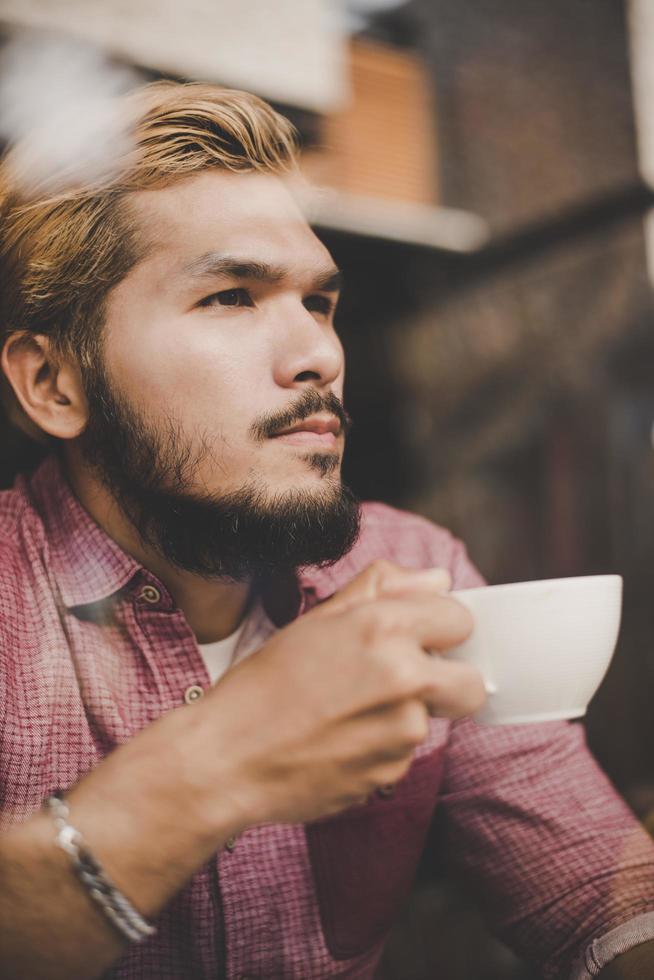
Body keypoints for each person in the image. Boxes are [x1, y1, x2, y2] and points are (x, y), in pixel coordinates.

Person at [0, 81, 652, 980]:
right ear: (54, 385)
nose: (321, 353)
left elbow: (594, 900)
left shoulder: (414, 571)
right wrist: (229, 752)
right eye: (231, 296)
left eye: (319, 302)